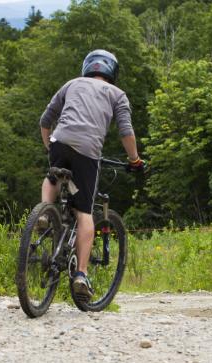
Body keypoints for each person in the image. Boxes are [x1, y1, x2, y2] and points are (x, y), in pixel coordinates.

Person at [39, 49, 145, 298]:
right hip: (87, 152)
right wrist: (135, 160)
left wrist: (50, 147)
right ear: (112, 72)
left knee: (53, 176)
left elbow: (46, 120)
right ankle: (81, 274)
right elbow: (126, 132)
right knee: (84, 212)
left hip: (59, 141)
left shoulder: (72, 84)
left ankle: (44, 212)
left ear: (87, 67)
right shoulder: (117, 94)